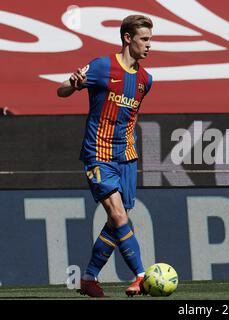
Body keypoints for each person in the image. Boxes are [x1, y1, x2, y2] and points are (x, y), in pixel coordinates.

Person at [57, 15, 153, 298]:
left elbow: (129, 119)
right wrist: (73, 85)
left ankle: (89, 278)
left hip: (127, 156)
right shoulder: (102, 66)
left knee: (117, 221)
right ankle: (141, 275)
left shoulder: (145, 80)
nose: (149, 46)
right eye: (144, 39)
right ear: (127, 38)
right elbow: (60, 90)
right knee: (117, 213)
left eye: (150, 39)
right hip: (98, 153)